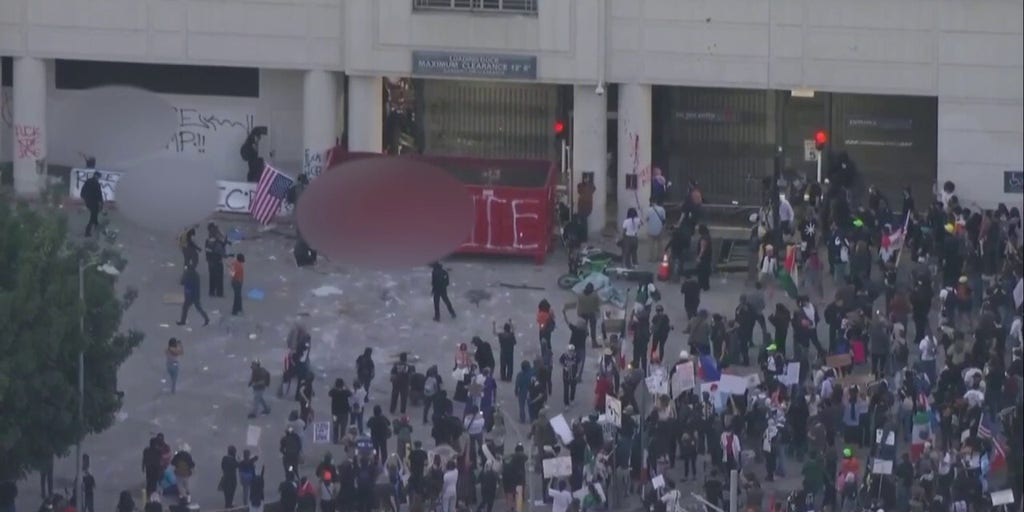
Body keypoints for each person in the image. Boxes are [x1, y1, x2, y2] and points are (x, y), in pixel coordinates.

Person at [177, 263, 209, 327]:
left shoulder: (188, 274)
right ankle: (206, 318)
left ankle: (183, 321)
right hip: (196, 294)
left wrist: (184, 274)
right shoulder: (196, 274)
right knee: (198, 308)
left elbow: (182, 282)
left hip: (189, 294)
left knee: (185, 308)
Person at [205, 222, 229, 298]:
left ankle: (211, 292)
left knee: (212, 277)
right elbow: (223, 254)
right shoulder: (217, 242)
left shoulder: (207, 241)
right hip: (217, 263)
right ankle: (219, 293)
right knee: (219, 278)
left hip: (210, 262)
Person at [80, 171, 104, 237]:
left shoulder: (88, 181)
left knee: (94, 214)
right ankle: (87, 232)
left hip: (88, 201)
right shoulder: (96, 184)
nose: (99, 178)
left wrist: (84, 198)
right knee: (93, 216)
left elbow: (83, 191)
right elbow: (99, 194)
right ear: (96, 176)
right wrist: (101, 203)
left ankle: (96, 224)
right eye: (99, 177)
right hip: (94, 202)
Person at [647, 198, 668, 262]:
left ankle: (652, 258)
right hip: (660, 229)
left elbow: (647, 219)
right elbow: (664, 219)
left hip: (651, 229)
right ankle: (660, 257)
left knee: (651, 245)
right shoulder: (662, 209)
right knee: (660, 244)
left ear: (651, 202)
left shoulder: (648, 210)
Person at [696, 224, 713, 291]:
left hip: (703, 258)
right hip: (708, 257)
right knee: (706, 272)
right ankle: (706, 286)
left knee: (701, 272)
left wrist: (699, 257)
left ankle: (701, 285)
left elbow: (703, 248)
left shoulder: (703, 238)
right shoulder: (708, 236)